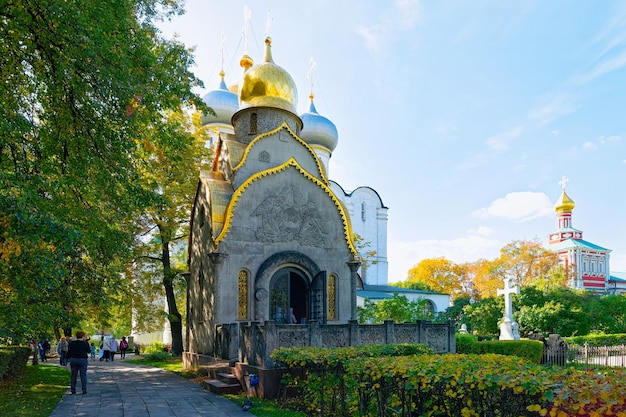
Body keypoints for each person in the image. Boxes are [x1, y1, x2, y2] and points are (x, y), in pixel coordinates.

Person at [67, 330, 90, 395]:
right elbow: (88, 351)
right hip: (82, 359)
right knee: (83, 375)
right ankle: (84, 389)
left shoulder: (72, 343)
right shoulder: (85, 343)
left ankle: (73, 389)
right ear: (83, 336)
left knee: (74, 375)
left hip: (73, 359)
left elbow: (69, 351)